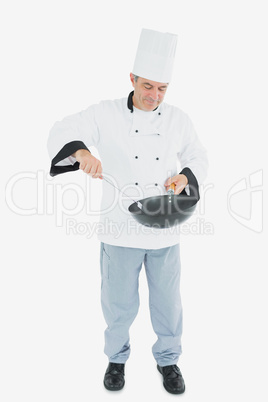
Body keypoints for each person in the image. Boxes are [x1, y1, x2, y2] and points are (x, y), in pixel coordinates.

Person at [47, 28, 208, 394]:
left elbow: (199, 156)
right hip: (119, 228)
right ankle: (116, 360)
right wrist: (83, 153)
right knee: (118, 303)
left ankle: (168, 361)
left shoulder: (178, 119)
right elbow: (63, 128)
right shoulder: (104, 113)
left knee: (169, 304)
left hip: (165, 228)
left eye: (162, 89)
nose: (154, 96)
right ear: (132, 78)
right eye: (148, 85)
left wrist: (184, 175)